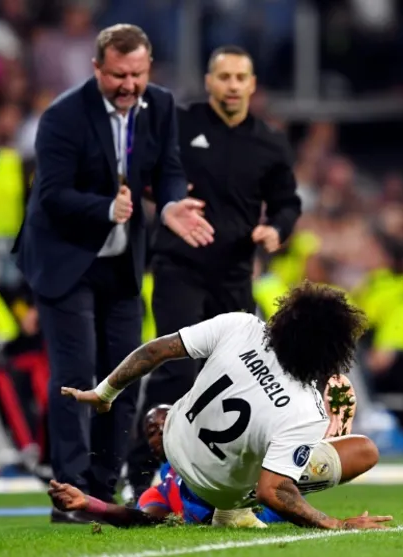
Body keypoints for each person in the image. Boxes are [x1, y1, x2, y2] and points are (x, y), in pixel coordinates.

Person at [11, 24, 214, 521]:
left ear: (149, 69)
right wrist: (106, 209)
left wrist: (169, 204)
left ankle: (102, 489)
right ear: (97, 68)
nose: (129, 85)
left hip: (120, 261)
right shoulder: (62, 116)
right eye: (118, 75)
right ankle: (70, 494)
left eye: (137, 74)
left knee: (125, 374)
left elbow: (168, 169)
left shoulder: (159, 105)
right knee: (76, 375)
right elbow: (51, 194)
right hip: (65, 259)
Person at [62, 282, 391, 530]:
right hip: (228, 493)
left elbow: (154, 351)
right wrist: (336, 524)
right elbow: (273, 492)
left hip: (185, 443)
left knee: (168, 412)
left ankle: (307, 445)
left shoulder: (241, 326)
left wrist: (105, 392)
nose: (152, 429)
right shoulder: (304, 409)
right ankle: (311, 446)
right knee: (362, 451)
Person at [127, 44, 301, 498]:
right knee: (176, 371)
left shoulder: (270, 141)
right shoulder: (179, 123)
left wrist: (275, 229)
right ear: (209, 82)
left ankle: (214, 482)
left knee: (232, 378)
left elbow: (287, 202)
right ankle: (138, 474)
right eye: (224, 77)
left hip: (234, 276)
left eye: (241, 77)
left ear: (253, 84)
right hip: (179, 267)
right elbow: (138, 170)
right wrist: (162, 195)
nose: (233, 86)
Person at [49, 373, 372, 528]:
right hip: (238, 505)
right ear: (151, 448)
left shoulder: (208, 438)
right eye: (152, 430)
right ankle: (321, 437)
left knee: (366, 450)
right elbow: (145, 520)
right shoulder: (162, 489)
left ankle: (318, 436)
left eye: (165, 422)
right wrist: (91, 505)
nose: (159, 430)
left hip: (267, 487)